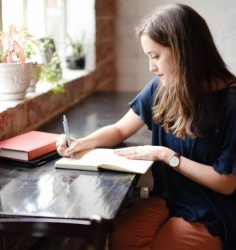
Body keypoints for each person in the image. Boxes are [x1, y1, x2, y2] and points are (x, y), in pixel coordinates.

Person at [56, 3, 236, 250]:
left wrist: (166, 155)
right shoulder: (162, 87)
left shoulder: (231, 104)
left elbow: (226, 183)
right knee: (121, 240)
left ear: (183, 50)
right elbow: (120, 129)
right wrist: (81, 143)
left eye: (155, 56)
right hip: (168, 196)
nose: (151, 67)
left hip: (213, 206)